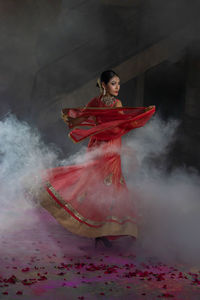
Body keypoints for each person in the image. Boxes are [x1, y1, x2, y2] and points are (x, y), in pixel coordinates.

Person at [41, 70, 155, 248]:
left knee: (111, 186)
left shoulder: (117, 103)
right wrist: (71, 120)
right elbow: (83, 118)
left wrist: (142, 114)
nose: (117, 87)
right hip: (99, 146)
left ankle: (103, 232)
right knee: (94, 184)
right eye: (113, 83)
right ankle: (97, 230)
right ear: (103, 85)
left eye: (118, 83)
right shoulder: (95, 102)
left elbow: (121, 123)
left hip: (112, 146)